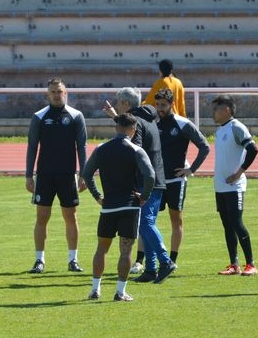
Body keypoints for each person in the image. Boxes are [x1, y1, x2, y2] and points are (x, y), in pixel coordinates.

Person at [102, 87, 175, 284]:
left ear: (125, 104)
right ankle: (151, 269)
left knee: (145, 223)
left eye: (119, 103)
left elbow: (134, 146)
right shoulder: (148, 118)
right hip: (155, 178)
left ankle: (165, 261)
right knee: (144, 225)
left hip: (147, 180)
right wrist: (117, 118)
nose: (117, 106)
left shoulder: (137, 121)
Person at [82, 113, 155, 302]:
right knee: (126, 251)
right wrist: (144, 197)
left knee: (101, 249)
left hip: (108, 207)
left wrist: (98, 196)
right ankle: (120, 292)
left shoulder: (101, 149)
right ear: (133, 130)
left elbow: (87, 173)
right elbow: (150, 176)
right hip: (130, 206)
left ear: (116, 128)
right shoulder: (136, 150)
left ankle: (95, 289)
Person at [25, 78, 88, 274]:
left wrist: (83, 174)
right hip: (45, 175)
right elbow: (32, 147)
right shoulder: (39, 117)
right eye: (52, 92)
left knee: (71, 216)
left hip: (68, 174)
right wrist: (29, 175)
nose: (56, 94)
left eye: (59, 91)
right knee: (42, 216)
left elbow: (82, 147)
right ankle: (39, 260)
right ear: (47, 94)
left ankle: (73, 260)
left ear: (65, 92)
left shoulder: (76, 116)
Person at [153, 88, 210, 265]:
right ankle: (141, 260)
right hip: (157, 181)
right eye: (157, 105)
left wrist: (191, 169)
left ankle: (172, 259)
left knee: (175, 220)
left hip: (176, 180)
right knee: (148, 220)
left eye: (163, 105)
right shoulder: (153, 123)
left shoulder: (182, 123)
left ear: (172, 104)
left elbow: (204, 146)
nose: (159, 108)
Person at [211, 94, 258, 276]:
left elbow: (253, 150)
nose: (213, 113)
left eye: (216, 109)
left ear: (227, 110)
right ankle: (234, 264)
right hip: (221, 186)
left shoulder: (236, 127)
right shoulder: (220, 130)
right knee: (227, 225)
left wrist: (239, 172)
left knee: (237, 223)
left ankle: (251, 264)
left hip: (234, 187)